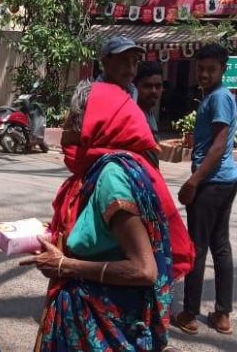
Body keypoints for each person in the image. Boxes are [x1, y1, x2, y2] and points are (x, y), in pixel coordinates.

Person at [21, 80, 194, 350]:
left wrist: (65, 265)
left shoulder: (113, 177)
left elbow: (143, 270)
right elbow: (103, 234)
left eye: (74, 118)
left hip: (106, 332)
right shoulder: (111, 167)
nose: (67, 127)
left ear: (94, 122)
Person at [174, 43, 237, 336]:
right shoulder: (214, 96)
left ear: (223, 69)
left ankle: (189, 314)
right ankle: (222, 314)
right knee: (219, 245)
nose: (204, 73)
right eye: (201, 68)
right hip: (223, 180)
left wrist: (193, 181)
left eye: (211, 69)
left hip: (212, 182)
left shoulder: (220, 98)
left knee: (198, 248)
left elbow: (219, 145)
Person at [96, 35, 142, 99]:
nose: (131, 69)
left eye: (135, 62)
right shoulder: (91, 96)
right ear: (105, 62)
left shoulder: (133, 91)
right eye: (124, 61)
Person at [134, 61, 164, 141]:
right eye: (147, 86)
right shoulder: (133, 118)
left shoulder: (149, 113)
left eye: (158, 86)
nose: (154, 91)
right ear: (136, 87)